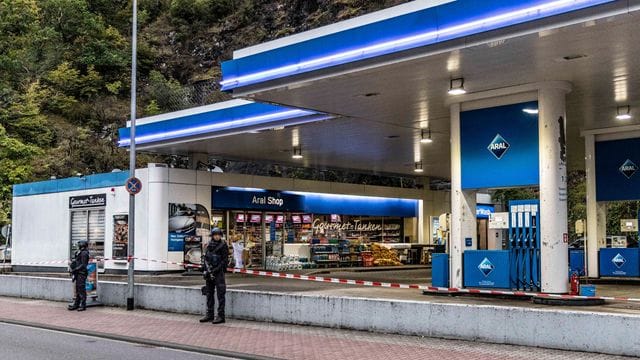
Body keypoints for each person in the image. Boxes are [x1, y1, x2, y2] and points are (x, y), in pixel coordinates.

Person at [200, 227, 228, 324]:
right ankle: (210, 314)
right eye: (215, 235)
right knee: (209, 294)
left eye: (218, 235)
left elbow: (225, 261)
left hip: (219, 273)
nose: (217, 236)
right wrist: (205, 270)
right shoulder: (209, 245)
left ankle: (221, 316)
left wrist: (216, 270)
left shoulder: (223, 245)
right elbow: (206, 259)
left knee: (220, 294)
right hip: (209, 272)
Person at [68, 240, 90, 311]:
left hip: (82, 273)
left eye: (79, 244)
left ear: (82, 245)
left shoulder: (84, 253)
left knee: (81, 290)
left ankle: (83, 305)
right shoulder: (80, 252)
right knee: (78, 290)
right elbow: (77, 261)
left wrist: (74, 270)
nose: (78, 245)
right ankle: (76, 304)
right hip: (78, 273)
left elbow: (83, 265)